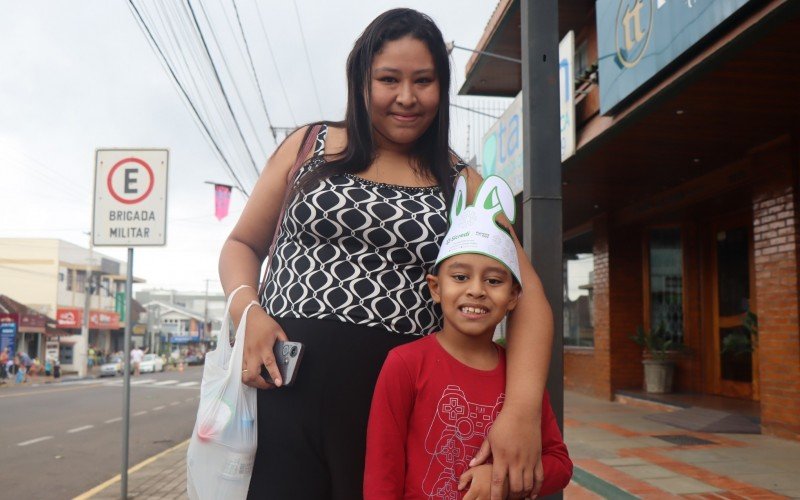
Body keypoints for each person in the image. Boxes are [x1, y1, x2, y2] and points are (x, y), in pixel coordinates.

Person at [219, 9, 554, 499]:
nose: (406, 97)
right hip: (281, 404)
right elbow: (241, 245)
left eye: (424, 81)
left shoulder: (462, 183)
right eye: (388, 79)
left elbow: (531, 300)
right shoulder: (308, 146)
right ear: (361, 81)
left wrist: (520, 414)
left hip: (403, 421)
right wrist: (246, 311)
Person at [364, 176, 572, 499]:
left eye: (493, 280)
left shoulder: (520, 378)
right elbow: (382, 474)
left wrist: (500, 481)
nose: (476, 290)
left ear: (514, 296)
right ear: (436, 287)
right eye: (460, 277)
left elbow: (559, 464)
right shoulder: (405, 364)